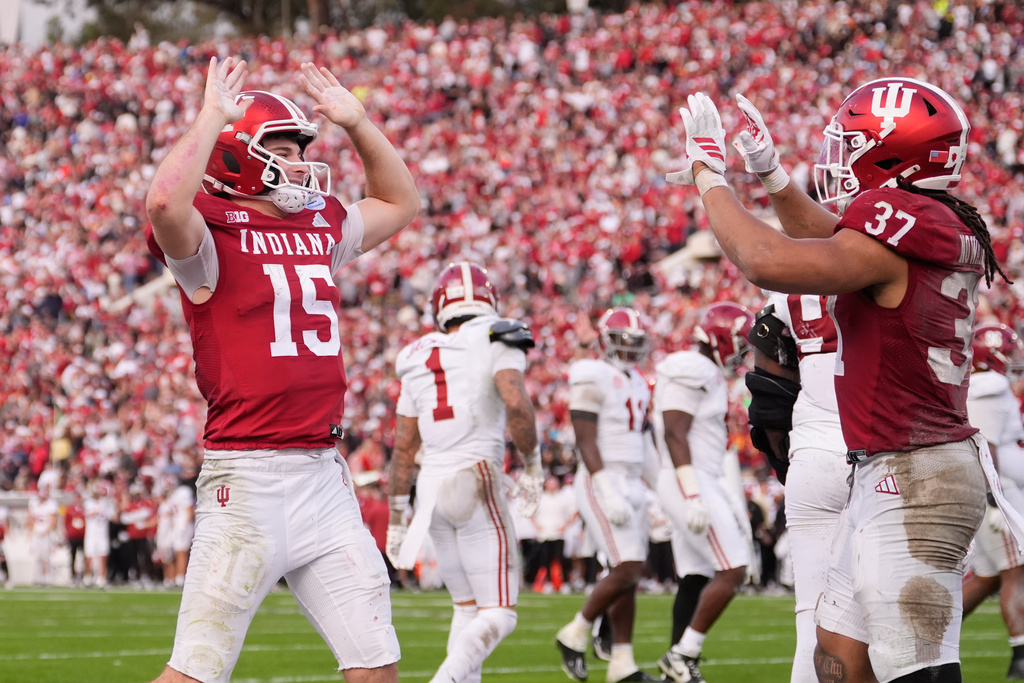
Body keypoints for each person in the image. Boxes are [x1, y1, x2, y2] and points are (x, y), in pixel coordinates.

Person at [666, 78, 1024, 682]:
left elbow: (768, 259)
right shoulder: (927, 221)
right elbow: (830, 235)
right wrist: (774, 178)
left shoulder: (903, 228)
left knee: (912, 667)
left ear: (892, 153)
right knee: (837, 653)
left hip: (918, 475)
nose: (838, 156)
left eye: (852, 143)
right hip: (890, 465)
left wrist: (709, 173)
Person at [143, 54, 419, 683]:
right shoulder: (208, 233)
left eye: (301, 147)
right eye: (284, 147)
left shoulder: (318, 221)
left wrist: (359, 124)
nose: (299, 161)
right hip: (246, 480)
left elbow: (400, 201)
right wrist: (212, 115)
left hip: (324, 476)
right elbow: (163, 201)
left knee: (376, 667)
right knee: (195, 672)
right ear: (237, 155)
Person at [385, 261, 543, 683]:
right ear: (488, 300)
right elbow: (515, 400)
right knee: (501, 614)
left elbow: (403, 447)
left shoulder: (416, 354)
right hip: (475, 477)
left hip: (431, 492)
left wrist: (398, 518)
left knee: (466, 608)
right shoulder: (497, 333)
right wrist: (534, 466)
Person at [744, 293, 849, 683]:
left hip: (812, 451)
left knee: (812, 617)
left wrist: (787, 460)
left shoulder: (790, 286)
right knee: (892, 622)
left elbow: (768, 387)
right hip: (881, 449)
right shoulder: (887, 259)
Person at [555, 306, 662, 683]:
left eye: (636, 342)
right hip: (601, 478)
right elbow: (585, 438)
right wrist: (606, 489)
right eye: (622, 341)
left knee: (630, 572)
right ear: (604, 341)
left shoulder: (637, 381)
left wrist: (663, 489)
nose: (630, 349)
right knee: (628, 566)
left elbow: (643, 443)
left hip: (631, 479)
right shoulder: (591, 373)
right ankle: (575, 632)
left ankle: (621, 662)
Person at [653, 301, 754, 683]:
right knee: (734, 568)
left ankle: (675, 667)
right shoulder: (692, 367)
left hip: (695, 477)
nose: (742, 352)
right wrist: (693, 492)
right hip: (688, 478)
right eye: (739, 343)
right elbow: (674, 431)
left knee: (696, 574)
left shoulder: (706, 371)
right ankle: (683, 655)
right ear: (720, 337)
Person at [962, 323, 1024, 679]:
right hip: (997, 494)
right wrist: (995, 498)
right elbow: (987, 446)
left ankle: (938, 630)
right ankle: (1021, 653)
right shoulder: (989, 386)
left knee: (987, 577)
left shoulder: (984, 386)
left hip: (994, 490)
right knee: (1016, 568)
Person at [27, 484, 58, 586]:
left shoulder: (50, 505)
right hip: (36, 533)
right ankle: (39, 578)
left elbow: (53, 522)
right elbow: (30, 518)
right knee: (37, 557)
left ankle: (48, 578)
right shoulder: (34, 504)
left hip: (46, 534)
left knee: (46, 557)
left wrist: (44, 532)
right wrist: (31, 532)